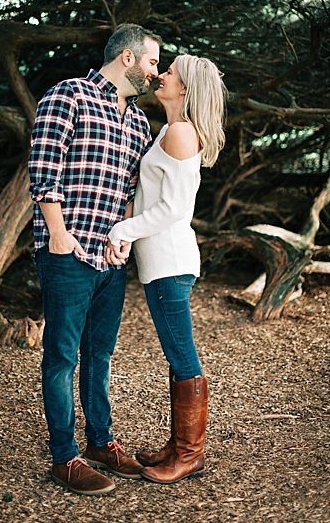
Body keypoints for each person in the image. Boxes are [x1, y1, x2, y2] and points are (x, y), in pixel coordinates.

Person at [28, 23, 161, 495]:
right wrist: (59, 236)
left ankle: (101, 441)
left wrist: (123, 239)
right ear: (127, 58)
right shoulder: (70, 96)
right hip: (67, 253)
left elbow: (128, 190)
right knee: (62, 357)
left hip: (110, 260)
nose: (156, 71)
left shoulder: (141, 123)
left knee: (99, 355)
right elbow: (44, 169)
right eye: (151, 62)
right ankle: (64, 456)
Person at [106, 54, 227, 484]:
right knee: (177, 357)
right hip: (162, 262)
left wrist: (122, 228)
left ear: (186, 88)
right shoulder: (168, 130)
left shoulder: (179, 133)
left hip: (170, 262)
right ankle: (178, 447)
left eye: (170, 72)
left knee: (183, 356)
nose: (160, 75)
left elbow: (175, 209)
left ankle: (190, 455)